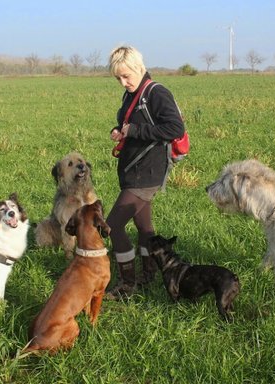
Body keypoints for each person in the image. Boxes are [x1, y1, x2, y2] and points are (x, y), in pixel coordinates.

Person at [105, 46, 185, 299]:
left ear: (140, 67)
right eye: (118, 78)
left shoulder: (157, 93)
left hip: (147, 173)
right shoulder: (131, 94)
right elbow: (131, 123)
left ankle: (127, 283)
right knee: (144, 227)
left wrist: (134, 132)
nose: (123, 82)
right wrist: (119, 130)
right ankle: (148, 275)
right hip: (132, 169)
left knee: (113, 226)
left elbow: (174, 128)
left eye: (126, 76)